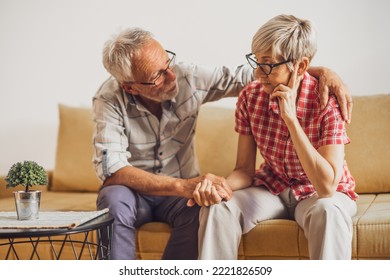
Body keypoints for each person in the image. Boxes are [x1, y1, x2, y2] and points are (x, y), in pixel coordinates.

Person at [92, 27, 352, 260]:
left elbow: (253, 75)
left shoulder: (187, 76)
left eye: (168, 60)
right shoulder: (109, 99)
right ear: (131, 88)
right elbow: (113, 170)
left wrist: (316, 71)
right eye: (158, 74)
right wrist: (184, 186)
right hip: (135, 192)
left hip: (179, 195)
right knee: (113, 202)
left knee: (203, 206)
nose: (172, 74)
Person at [197, 15, 358, 260]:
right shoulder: (251, 96)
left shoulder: (327, 100)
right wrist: (220, 188)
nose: (259, 73)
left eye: (268, 64)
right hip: (273, 188)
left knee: (329, 211)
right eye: (256, 61)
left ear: (301, 66)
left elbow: (326, 187)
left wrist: (291, 120)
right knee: (218, 208)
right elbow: (243, 169)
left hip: (319, 193)